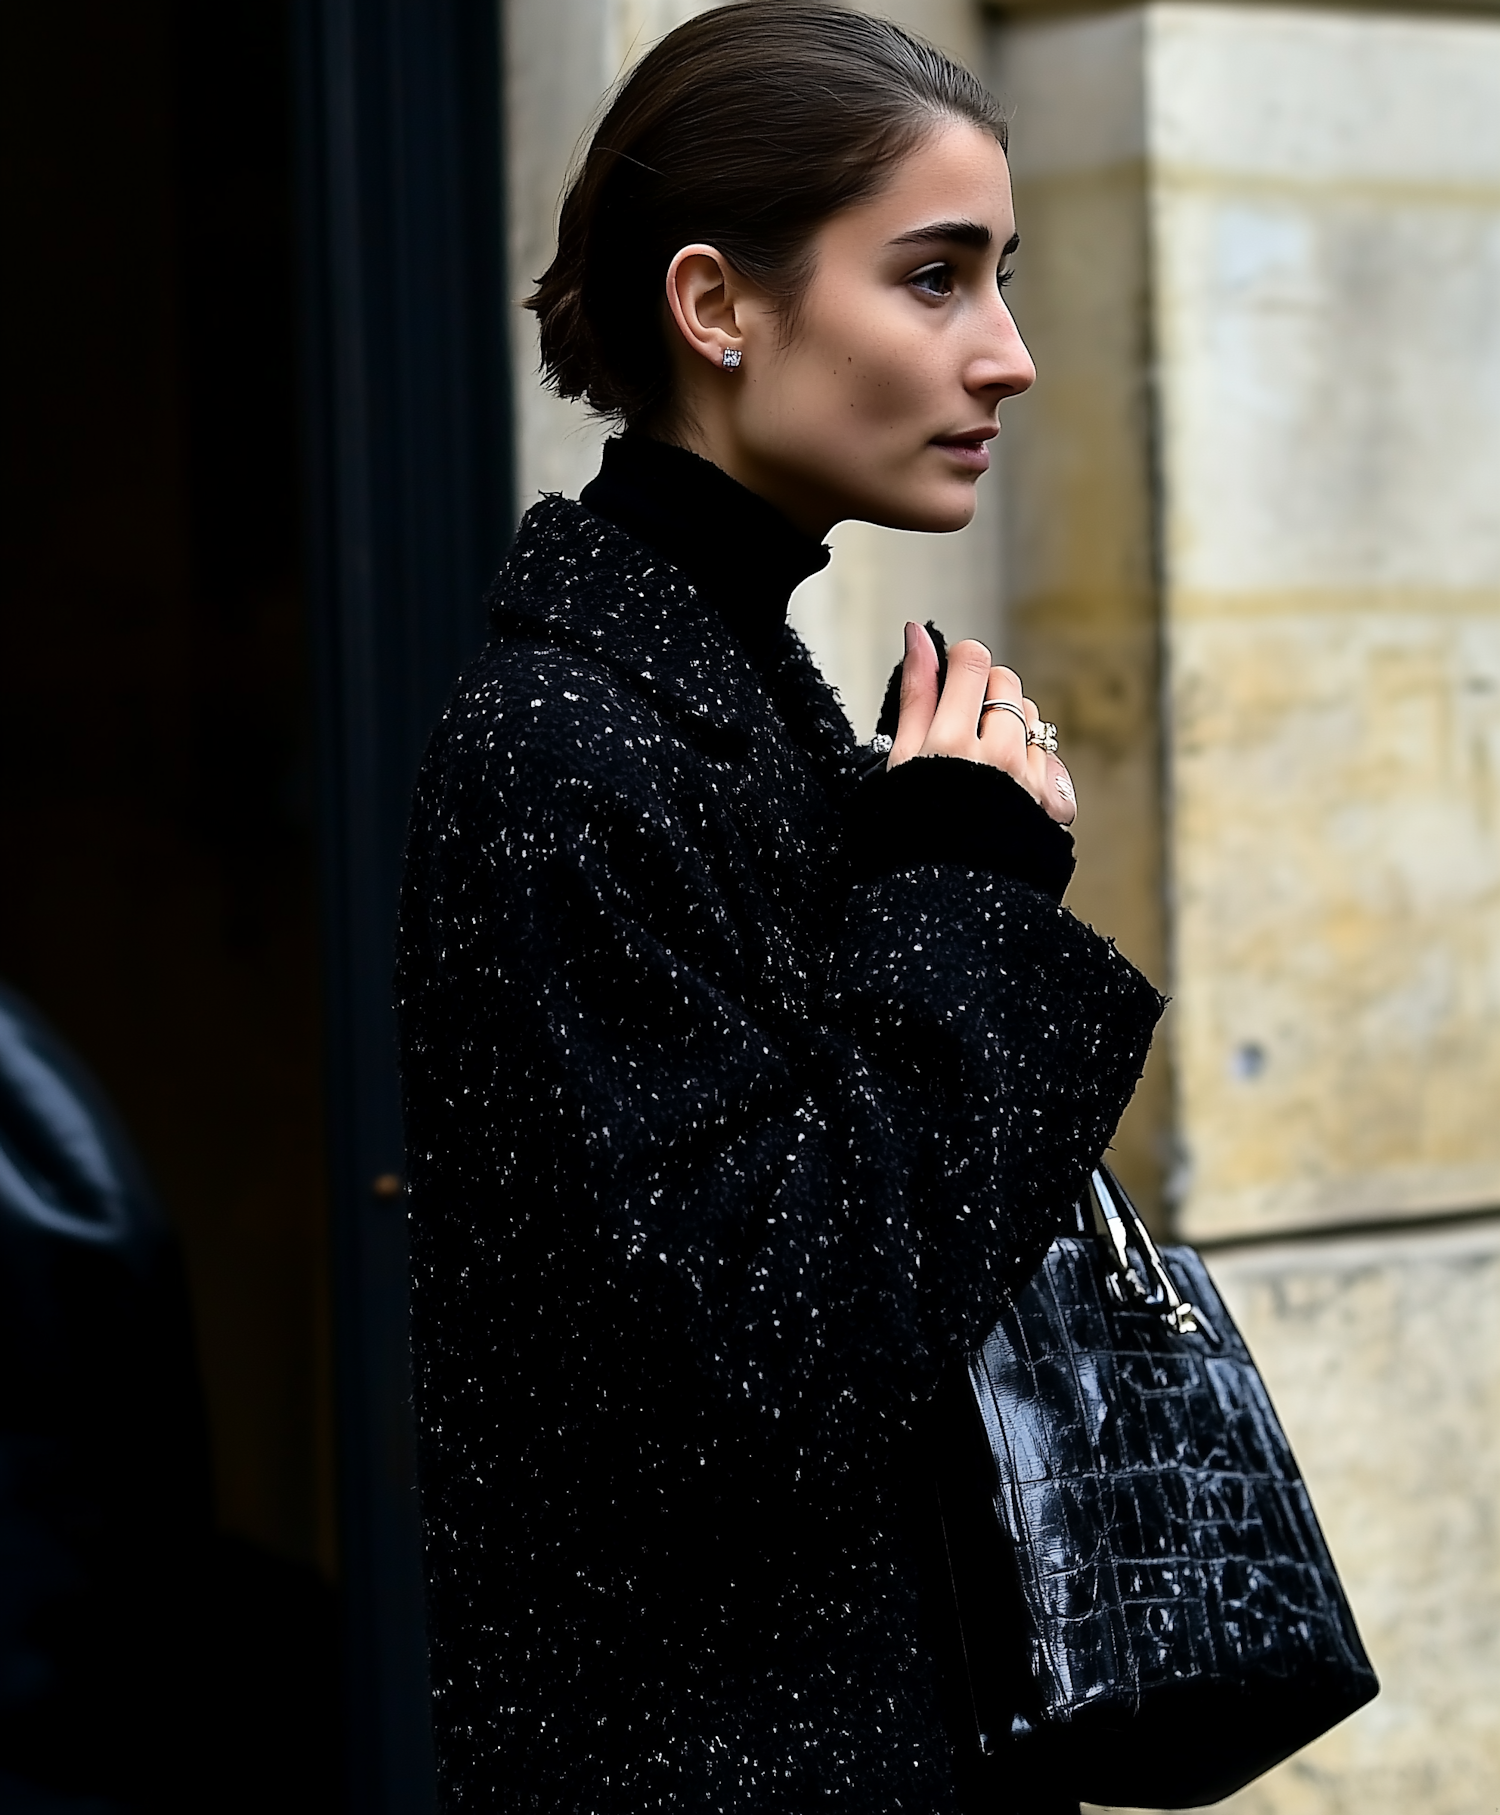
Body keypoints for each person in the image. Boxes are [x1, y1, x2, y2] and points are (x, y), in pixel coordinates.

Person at [396, 6, 1163, 1810]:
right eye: (934, 280)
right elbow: (777, 1351)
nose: (1012, 356)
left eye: (1004, 277)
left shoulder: (731, 678)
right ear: (717, 306)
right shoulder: (567, 739)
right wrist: (964, 891)